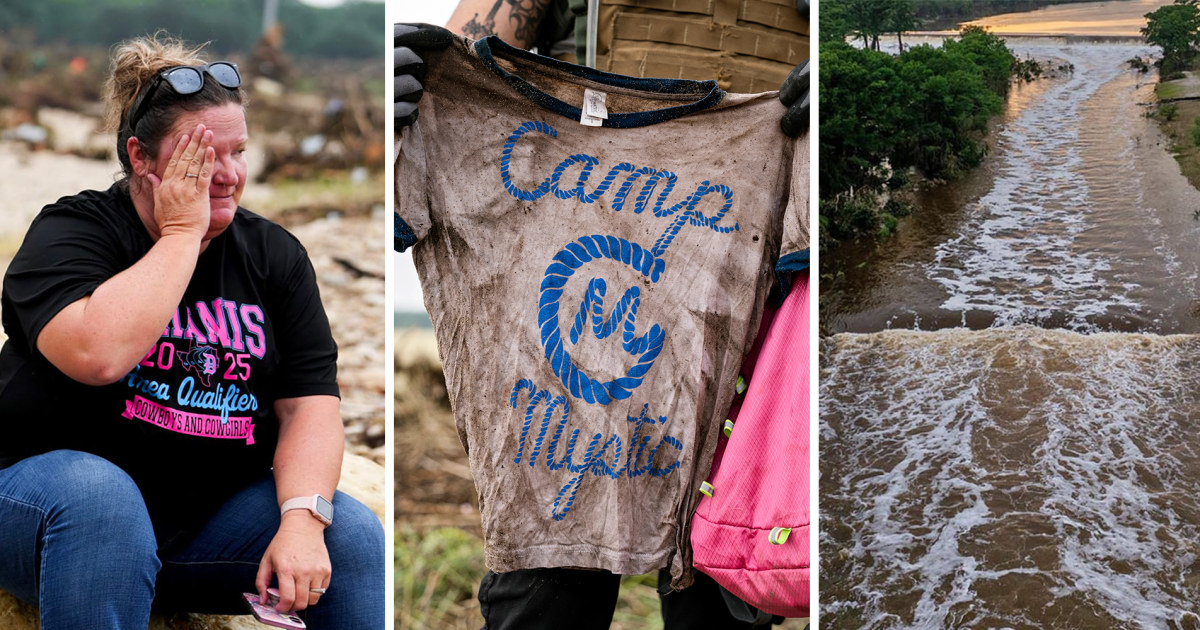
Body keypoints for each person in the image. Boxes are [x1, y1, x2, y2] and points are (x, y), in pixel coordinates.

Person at [394, 2, 809, 628]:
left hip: (748, 274)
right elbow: (456, 68)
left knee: (723, 577)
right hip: (567, 279)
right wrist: (401, 95)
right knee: (547, 587)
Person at [0, 34, 383, 630]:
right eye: (200, 157)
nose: (227, 175)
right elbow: (97, 355)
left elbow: (309, 405)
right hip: (46, 512)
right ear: (141, 158)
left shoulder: (273, 256)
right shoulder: (73, 232)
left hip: (196, 528)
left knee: (352, 536)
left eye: (238, 152)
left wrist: (304, 522)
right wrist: (182, 236)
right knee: (102, 497)